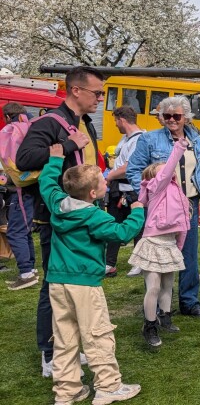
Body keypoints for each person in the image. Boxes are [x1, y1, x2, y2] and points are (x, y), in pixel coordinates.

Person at [16, 66, 103, 377]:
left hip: (83, 215)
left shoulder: (84, 122)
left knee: (77, 284)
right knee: (54, 285)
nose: (100, 99)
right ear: (76, 91)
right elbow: (24, 159)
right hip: (58, 218)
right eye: (97, 93)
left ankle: (68, 347)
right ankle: (50, 354)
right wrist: (68, 146)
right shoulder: (51, 123)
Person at [40, 144, 143, 405]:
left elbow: (46, 183)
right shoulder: (94, 216)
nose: (106, 181)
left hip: (57, 283)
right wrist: (138, 211)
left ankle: (67, 391)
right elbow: (122, 233)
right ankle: (108, 386)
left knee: (64, 337)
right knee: (97, 334)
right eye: (103, 180)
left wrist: (54, 161)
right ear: (93, 193)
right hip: (84, 285)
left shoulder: (57, 204)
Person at [126, 96, 200, 318]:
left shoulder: (195, 137)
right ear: (161, 118)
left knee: (188, 253)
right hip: (162, 206)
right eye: (167, 116)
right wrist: (150, 193)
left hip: (188, 203)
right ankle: (156, 306)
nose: (172, 120)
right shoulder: (149, 139)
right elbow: (134, 170)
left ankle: (189, 301)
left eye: (177, 116)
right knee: (157, 252)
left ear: (186, 117)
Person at [129, 139, 190, 347]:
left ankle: (165, 316)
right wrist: (179, 148)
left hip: (169, 244)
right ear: (155, 176)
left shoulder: (177, 192)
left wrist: (179, 247)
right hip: (153, 243)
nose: (169, 170)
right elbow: (166, 172)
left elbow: (183, 222)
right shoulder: (156, 187)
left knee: (167, 285)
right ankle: (150, 324)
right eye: (164, 169)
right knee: (153, 286)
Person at [104, 106, 145, 278]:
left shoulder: (140, 140)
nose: (115, 125)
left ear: (121, 120)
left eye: (115, 121)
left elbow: (130, 166)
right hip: (118, 190)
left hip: (133, 189)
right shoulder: (125, 139)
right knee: (113, 224)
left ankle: (139, 262)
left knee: (138, 227)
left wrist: (109, 176)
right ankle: (109, 263)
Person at [3, 102, 39, 290]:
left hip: (22, 187)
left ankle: (26, 273)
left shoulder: (11, 130)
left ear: (8, 116)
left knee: (15, 231)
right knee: (24, 230)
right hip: (36, 184)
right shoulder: (33, 126)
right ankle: (30, 270)